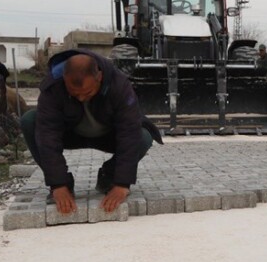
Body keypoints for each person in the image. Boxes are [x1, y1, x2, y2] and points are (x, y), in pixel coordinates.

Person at [20, 50, 162, 214]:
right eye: (74, 94)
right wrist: (58, 185)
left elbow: (128, 132)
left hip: (107, 136)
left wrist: (122, 183)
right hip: (70, 134)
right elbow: (47, 135)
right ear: (64, 79)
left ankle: (108, 177)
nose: (81, 98)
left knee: (142, 137)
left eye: (87, 93)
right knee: (30, 121)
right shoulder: (53, 85)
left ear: (99, 77)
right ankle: (65, 184)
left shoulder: (119, 84)